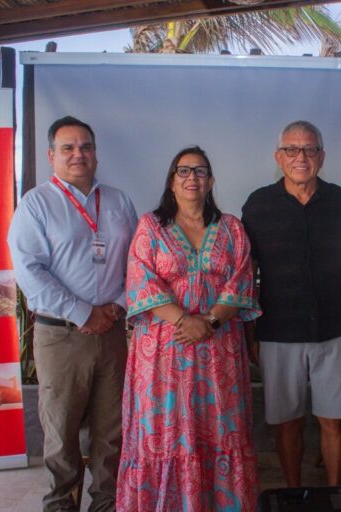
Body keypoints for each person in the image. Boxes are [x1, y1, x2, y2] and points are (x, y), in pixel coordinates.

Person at [117, 146, 260, 511]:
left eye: (200, 171)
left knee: (220, 431)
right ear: (171, 180)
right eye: (183, 170)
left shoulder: (231, 227)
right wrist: (185, 320)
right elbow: (141, 281)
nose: (192, 177)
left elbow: (241, 282)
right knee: (164, 438)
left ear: (211, 180)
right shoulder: (151, 226)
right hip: (164, 353)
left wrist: (210, 321)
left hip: (218, 349)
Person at [8, 116, 137, 511]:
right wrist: (83, 312)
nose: (78, 154)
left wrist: (116, 306)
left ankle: (107, 504)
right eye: (68, 147)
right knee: (61, 435)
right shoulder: (36, 203)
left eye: (85, 147)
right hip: (61, 335)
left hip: (112, 332)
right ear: (52, 156)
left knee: (111, 433)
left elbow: (138, 262)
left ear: (96, 155)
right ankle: (60, 505)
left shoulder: (117, 200)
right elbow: (30, 270)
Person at [241, 120, 341, 487]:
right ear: (279, 157)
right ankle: (294, 493)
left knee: (334, 420)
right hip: (279, 330)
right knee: (286, 420)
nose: (301, 157)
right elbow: (248, 275)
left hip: (335, 328)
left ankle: (335, 492)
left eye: (309, 149)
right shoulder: (258, 204)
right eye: (292, 150)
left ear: (321, 157)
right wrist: (250, 334)